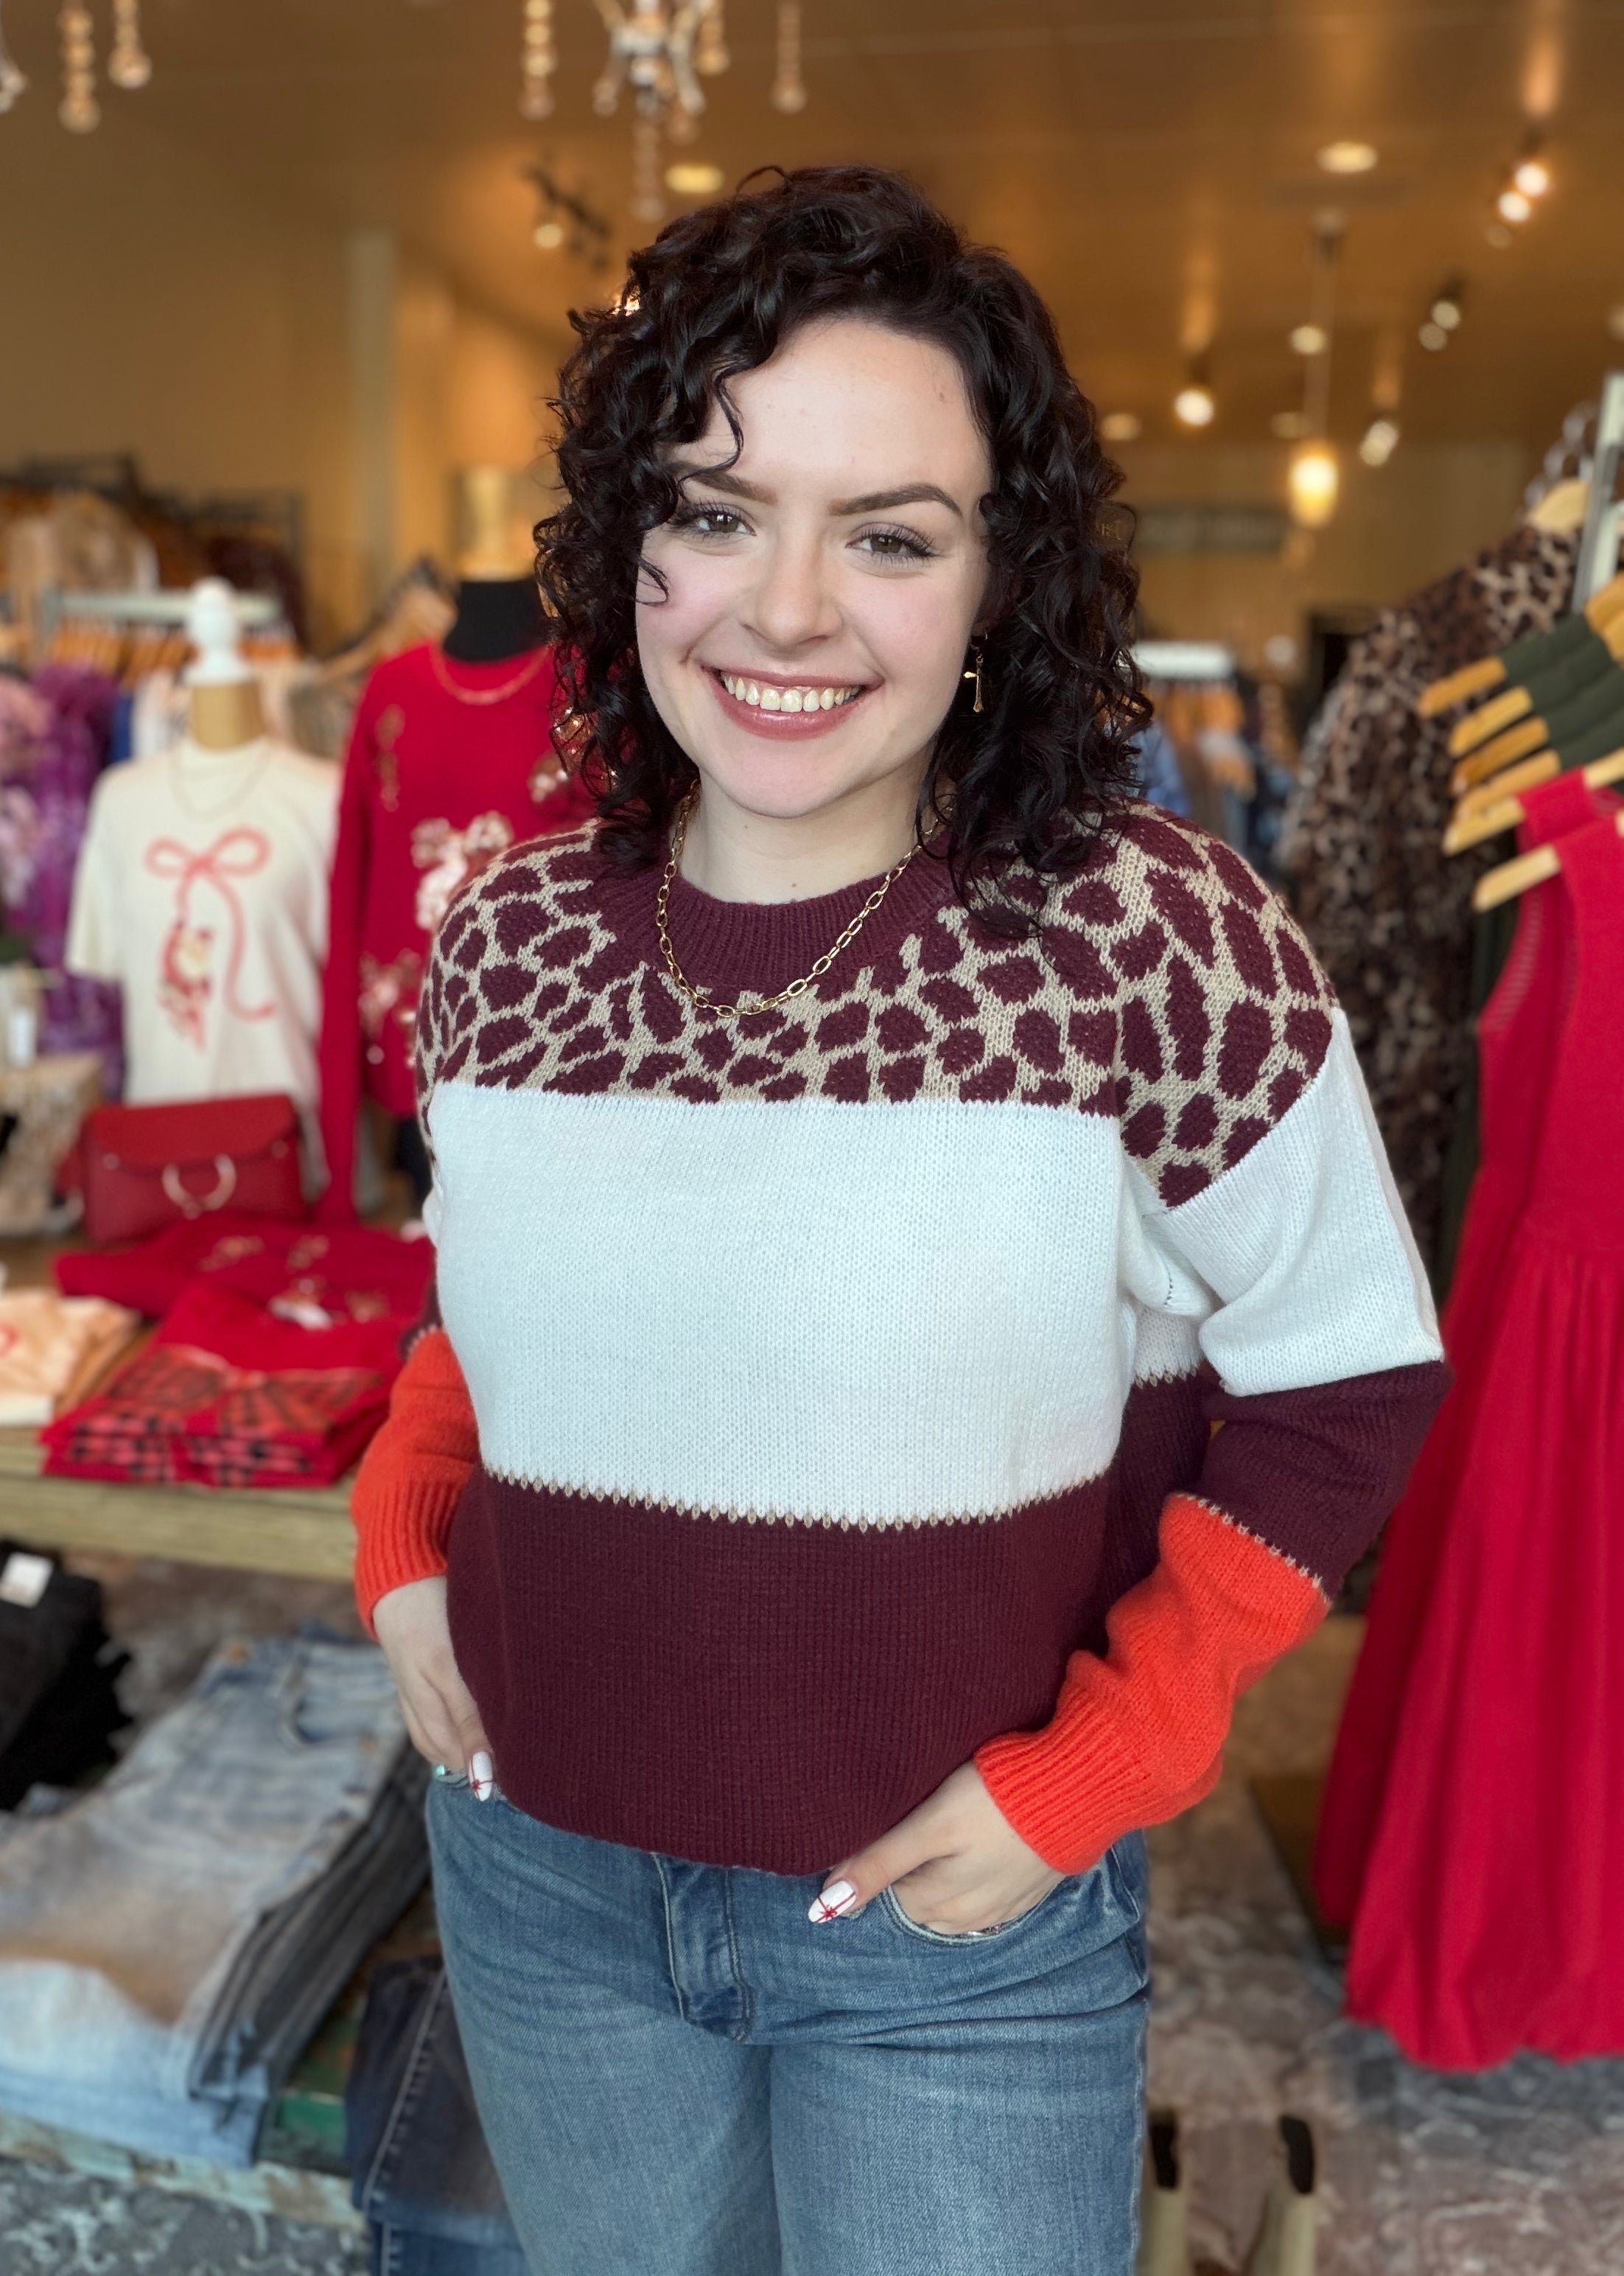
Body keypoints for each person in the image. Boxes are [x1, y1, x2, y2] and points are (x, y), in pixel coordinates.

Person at [351, 166, 1446, 2275]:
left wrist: (1107, 1756)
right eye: (715, 510)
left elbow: (1346, 1380)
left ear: (998, 580)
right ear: (627, 543)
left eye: (889, 535)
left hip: (954, 1925)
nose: (784, 611)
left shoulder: (1147, 935)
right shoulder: (508, 937)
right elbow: (482, 1306)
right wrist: (405, 1538)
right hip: (538, 1877)